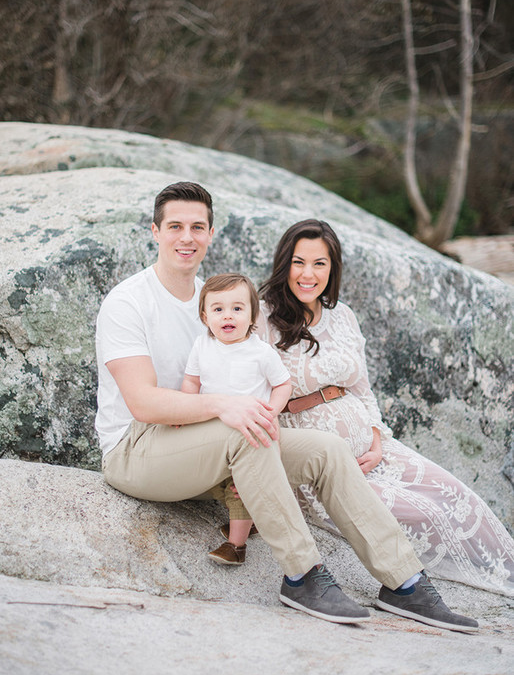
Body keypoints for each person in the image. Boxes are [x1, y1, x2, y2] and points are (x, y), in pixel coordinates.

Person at [95, 180, 478, 631]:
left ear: (212, 234)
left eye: (198, 227)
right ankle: (302, 575)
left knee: (325, 450)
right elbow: (142, 402)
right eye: (175, 226)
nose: (187, 237)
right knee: (246, 428)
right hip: (138, 450)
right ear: (155, 231)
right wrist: (227, 407)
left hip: (205, 446)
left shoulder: (219, 299)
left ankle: (404, 582)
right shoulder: (129, 302)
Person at [254, 218, 514, 598]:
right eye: (298, 262)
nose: (308, 274)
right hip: (320, 461)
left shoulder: (343, 316)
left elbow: (364, 390)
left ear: (333, 268)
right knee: (425, 514)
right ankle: (411, 585)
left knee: (459, 498)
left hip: (374, 449)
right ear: (283, 265)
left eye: (319, 264)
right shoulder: (263, 317)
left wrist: (376, 440)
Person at [182, 272, 291, 565]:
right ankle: (250, 519)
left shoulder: (260, 352)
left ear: (253, 315)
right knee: (217, 478)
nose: (227, 316)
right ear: (205, 317)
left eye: (237, 308)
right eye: (218, 309)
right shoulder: (202, 345)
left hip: (252, 431)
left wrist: (271, 411)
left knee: (240, 486)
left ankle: (236, 545)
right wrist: (186, 410)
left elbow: (283, 384)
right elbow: (192, 382)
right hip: (213, 427)